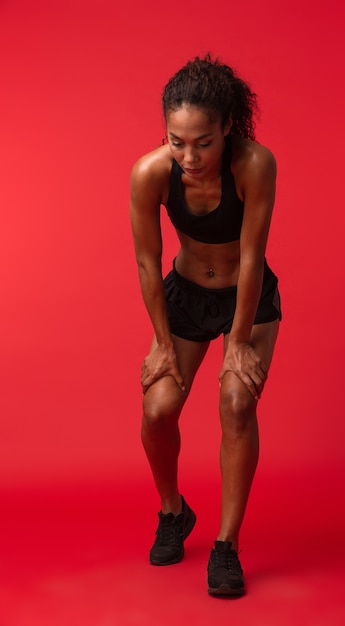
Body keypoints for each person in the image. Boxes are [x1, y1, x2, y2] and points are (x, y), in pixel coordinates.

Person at [129, 54, 282, 597]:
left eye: (203, 142)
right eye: (177, 141)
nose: (189, 156)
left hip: (247, 295)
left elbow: (251, 255)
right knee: (157, 408)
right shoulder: (149, 174)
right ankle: (174, 512)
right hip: (186, 297)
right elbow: (149, 262)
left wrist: (238, 341)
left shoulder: (255, 164)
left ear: (227, 129)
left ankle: (227, 545)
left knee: (237, 403)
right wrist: (162, 342)